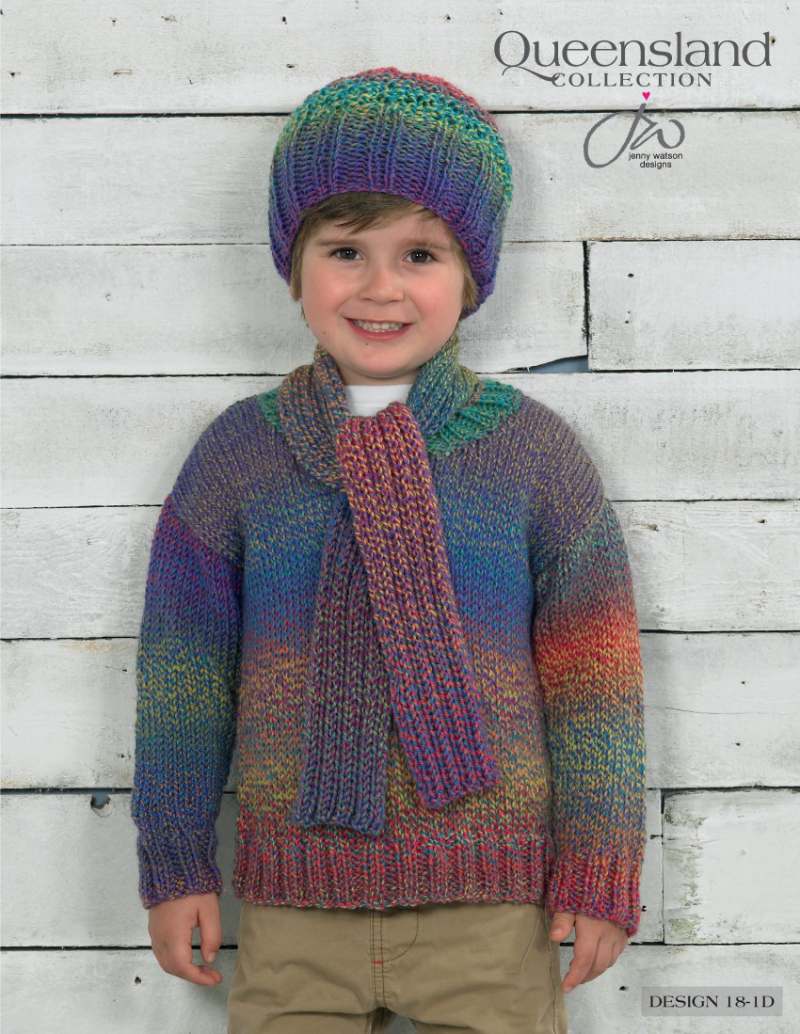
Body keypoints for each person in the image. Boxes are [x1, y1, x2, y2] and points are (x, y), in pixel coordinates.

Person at [131, 67, 647, 1033]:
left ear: (471, 275)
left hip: (492, 910)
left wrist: (601, 866)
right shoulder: (240, 457)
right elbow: (183, 677)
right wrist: (175, 863)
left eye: (420, 253)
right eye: (345, 250)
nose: (380, 287)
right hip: (293, 912)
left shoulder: (532, 455)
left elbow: (596, 680)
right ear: (294, 266)